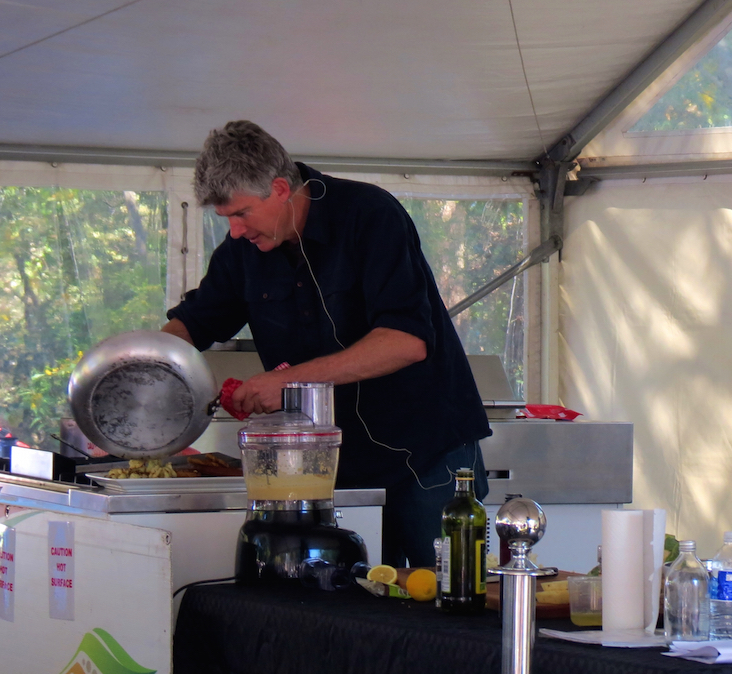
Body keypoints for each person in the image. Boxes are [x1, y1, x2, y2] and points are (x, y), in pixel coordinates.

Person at [163, 120, 491, 567]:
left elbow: (406, 341)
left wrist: (290, 382)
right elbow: (195, 321)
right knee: (357, 611)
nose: (236, 231)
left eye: (241, 214)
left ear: (280, 188)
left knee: (450, 601)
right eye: (227, 220)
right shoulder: (245, 250)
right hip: (335, 466)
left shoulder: (369, 216)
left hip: (425, 456)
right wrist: (143, 365)